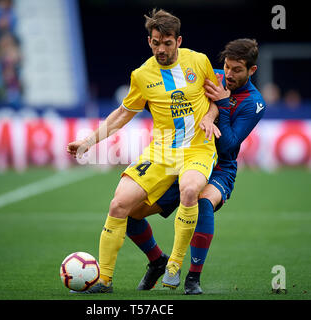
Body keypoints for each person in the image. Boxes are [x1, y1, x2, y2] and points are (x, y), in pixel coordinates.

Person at [67, 9, 219, 293]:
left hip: (198, 148)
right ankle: (104, 280)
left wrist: (210, 116)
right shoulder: (142, 75)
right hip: (161, 152)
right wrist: (88, 142)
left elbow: (216, 100)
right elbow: (123, 114)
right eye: (156, 42)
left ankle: (174, 266)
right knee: (118, 205)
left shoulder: (199, 62)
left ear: (179, 41)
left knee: (189, 191)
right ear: (149, 41)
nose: (161, 48)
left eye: (168, 42)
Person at [126, 38, 266, 294]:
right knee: (129, 213)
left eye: (237, 70)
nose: (229, 75)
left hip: (220, 168)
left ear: (252, 71)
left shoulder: (253, 104)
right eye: (227, 67)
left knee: (202, 202)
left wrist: (222, 104)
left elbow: (228, 146)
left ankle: (193, 278)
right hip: (183, 159)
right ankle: (157, 262)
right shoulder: (212, 76)